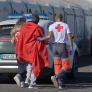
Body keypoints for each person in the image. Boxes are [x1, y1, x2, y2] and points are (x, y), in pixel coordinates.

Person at [36, 13, 73, 89]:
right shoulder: (65, 25)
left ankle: (60, 84)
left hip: (54, 46)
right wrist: (71, 47)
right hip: (62, 46)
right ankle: (56, 77)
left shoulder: (52, 26)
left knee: (57, 66)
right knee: (66, 66)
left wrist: (40, 39)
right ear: (61, 18)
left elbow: (49, 36)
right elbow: (69, 37)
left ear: (55, 18)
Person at [17, 14, 49, 88]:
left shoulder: (24, 26)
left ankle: (27, 81)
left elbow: (21, 38)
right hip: (33, 49)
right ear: (37, 21)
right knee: (35, 64)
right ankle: (32, 83)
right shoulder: (36, 28)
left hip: (25, 49)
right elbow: (38, 38)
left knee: (29, 65)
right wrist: (46, 37)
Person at [10, 18, 27, 87]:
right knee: (27, 67)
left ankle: (22, 82)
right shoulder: (23, 32)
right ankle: (18, 76)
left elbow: (12, 42)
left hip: (17, 51)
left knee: (21, 66)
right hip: (23, 52)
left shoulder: (15, 33)